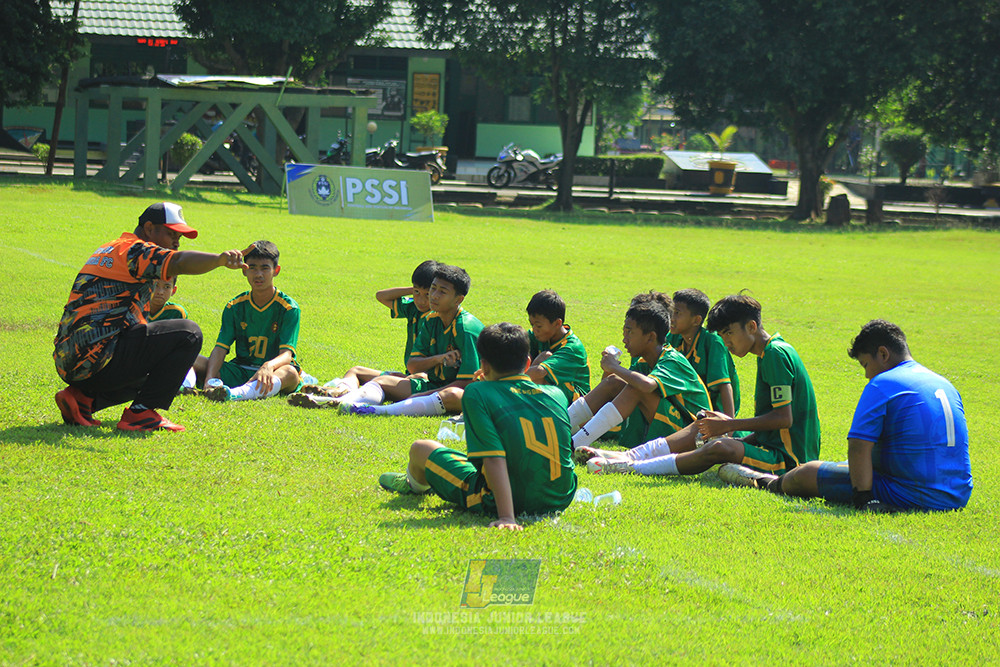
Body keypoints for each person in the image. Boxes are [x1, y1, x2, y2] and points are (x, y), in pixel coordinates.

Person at [579, 292, 820, 478]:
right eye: (722, 336)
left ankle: (631, 466)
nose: (726, 342)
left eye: (729, 333)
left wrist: (730, 423)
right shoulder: (770, 354)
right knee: (706, 428)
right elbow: (774, 425)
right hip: (770, 445)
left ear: (751, 327)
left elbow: (784, 419)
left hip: (789, 459)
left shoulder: (775, 355)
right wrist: (733, 434)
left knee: (720, 448)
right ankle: (625, 457)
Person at [53, 202, 247, 432]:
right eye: (170, 233)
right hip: (97, 361)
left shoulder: (110, 248)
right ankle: (142, 413)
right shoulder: (137, 250)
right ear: (148, 228)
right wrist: (219, 260)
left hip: (69, 361)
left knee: (157, 357)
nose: (175, 242)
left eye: (179, 236)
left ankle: (82, 400)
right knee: (189, 333)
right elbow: (178, 261)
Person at [748, 320, 972, 512]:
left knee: (805, 472)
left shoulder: (884, 383)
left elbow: (858, 444)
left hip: (910, 493)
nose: (866, 374)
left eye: (866, 364)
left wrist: (864, 497)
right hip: (957, 494)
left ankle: (768, 483)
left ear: (883, 354)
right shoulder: (943, 382)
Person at [377, 322, 577, 530]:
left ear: (484, 365)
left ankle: (414, 484)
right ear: (527, 364)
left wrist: (507, 517)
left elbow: (493, 457)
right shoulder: (556, 394)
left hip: (510, 499)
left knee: (421, 448)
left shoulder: (477, 393)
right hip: (562, 497)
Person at [567, 291, 711, 452]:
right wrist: (612, 371)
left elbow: (647, 386)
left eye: (630, 332)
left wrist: (614, 366)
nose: (624, 339)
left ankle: (573, 445)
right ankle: (557, 426)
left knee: (637, 387)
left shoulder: (672, 359)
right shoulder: (644, 362)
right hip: (673, 427)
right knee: (614, 382)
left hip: (693, 436)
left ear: (650, 337)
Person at [334, 264, 483, 416]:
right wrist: (439, 359)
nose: (434, 295)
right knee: (382, 381)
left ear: (459, 299)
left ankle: (378, 411)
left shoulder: (466, 328)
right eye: (433, 288)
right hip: (434, 384)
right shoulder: (432, 319)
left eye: (442, 292)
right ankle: (338, 401)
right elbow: (413, 365)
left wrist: (423, 395)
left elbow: (467, 383)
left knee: (450, 394)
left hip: (465, 393)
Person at [294, 260, 437, 402]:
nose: (421, 300)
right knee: (355, 370)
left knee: (381, 382)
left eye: (427, 295)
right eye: (417, 292)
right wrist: (413, 289)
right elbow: (381, 296)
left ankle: (342, 399)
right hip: (408, 377)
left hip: (423, 380)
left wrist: (418, 290)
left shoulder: (438, 318)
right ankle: (340, 391)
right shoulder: (413, 308)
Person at [203, 240, 302, 402]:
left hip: (273, 371)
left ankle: (234, 395)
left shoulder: (288, 308)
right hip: (240, 369)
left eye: (265, 268)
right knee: (195, 360)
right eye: (252, 268)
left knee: (290, 374)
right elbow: (220, 348)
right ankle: (186, 387)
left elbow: (286, 354)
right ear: (244, 270)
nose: (258, 274)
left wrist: (268, 366)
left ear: (276, 271)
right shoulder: (234, 306)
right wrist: (209, 378)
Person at [667, 288, 739, 417]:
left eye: (677, 313)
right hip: (686, 403)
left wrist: (729, 426)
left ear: (696, 320)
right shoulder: (673, 338)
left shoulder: (713, 342)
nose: (671, 318)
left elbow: (724, 386)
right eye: (671, 312)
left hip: (713, 411)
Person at [525, 289, 591, 403]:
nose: (534, 329)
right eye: (532, 324)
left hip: (577, 404)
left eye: (539, 326)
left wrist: (508, 382)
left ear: (557, 323)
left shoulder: (572, 348)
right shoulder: (537, 335)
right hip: (554, 393)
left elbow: (540, 372)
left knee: (544, 359)